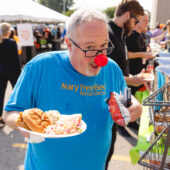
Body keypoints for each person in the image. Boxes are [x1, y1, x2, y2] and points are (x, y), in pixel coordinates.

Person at [2, 8, 142, 170]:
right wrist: (23, 124)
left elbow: (127, 98)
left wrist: (135, 105)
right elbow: (9, 113)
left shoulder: (112, 69)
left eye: (104, 46)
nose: (100, 57)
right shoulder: (40, 67)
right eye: (90, 48)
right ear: (69, 44)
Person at [106, 0, 153, 169]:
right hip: (107, 104)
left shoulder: (120, 34)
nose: (134, 26)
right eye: (135, 21)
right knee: (104, 153)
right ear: (127, 15)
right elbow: (104, 75)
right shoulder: (108, 34)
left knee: (109, 151)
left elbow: (121, 68)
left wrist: (135, 77)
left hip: (120, 100)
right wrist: (131, 80)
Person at [0, 22, 21, 126]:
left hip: (1, 71)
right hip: (12, 71)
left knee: (0, 94)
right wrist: (20, 73)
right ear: (9, 32)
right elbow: (16, 61)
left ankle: (0, 117)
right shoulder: (12, 43)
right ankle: (18, 114)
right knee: (17, 93)